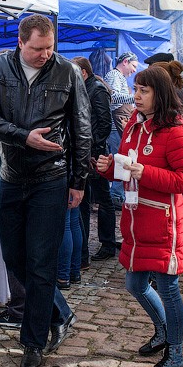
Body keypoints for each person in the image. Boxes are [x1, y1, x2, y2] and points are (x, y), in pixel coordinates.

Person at [0, 14, 92, 367]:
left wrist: (79, 180)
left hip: (51, 177)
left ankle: (33, 340)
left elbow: (82, 127)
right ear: (20, 41)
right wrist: (21, 135)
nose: (45, 54)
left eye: (49, 47)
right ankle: (59, 311)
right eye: (37, 48)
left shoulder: (67, 72)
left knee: (42, 263)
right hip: (10, 175)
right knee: (14, 259)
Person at [96, 66, 183, 367]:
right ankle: (164, 332)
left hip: (164, 223)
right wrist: (108, 168)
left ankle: (176, 352)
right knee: (135, 283)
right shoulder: (133, 126)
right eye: (136, 88)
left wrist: (146, 172)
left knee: (168, 287)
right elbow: (128, 167)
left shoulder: (174, 133)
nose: (136, 95)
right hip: (137, 221)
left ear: (160, 94)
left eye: (144, 90)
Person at [71, 57, 118, 263]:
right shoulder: (86, 88)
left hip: (95, 154)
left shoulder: (96, 89)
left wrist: (94, 150)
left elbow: (104, 124)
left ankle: (107, 243)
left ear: (83, 72)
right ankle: (83, 248)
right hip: (87, 152)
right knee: (85, 200)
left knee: (103, 198)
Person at [104, 52, 138, 205]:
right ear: (125, 62)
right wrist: (134, 98)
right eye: (133, 66)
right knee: (120, 158)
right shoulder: (114, 75)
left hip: (116, 126)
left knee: (121, 158)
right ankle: (116, 196)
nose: (134, 70)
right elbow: (112, 97)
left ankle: (117, 194)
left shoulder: (119, 77)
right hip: (113, 127)